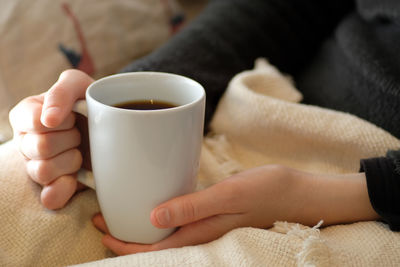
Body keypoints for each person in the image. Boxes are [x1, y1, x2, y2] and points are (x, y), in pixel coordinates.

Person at [9, 0, 400, 256]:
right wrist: (124, 103)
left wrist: (337, 194)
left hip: (354, 193)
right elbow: (280, 10)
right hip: (257, 115)